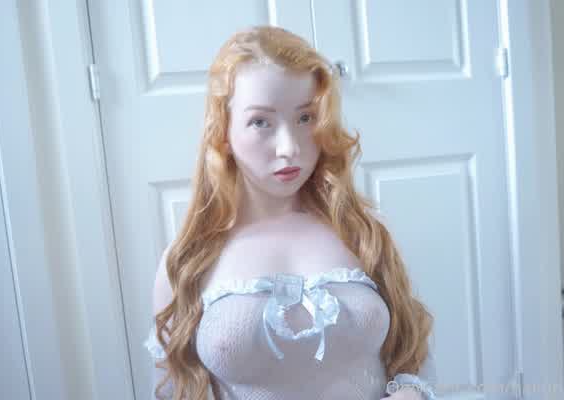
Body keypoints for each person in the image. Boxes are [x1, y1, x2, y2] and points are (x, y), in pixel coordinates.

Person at [143, 25, 438, 400]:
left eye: (305, 118)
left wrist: (411, 393)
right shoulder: (186, 262)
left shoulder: (363, 232)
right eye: (260, 122)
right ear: (223, 132)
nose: (289, 148)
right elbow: (172, 387)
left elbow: (412, 352)